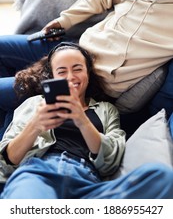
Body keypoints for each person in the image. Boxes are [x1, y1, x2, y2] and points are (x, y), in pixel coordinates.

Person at [1, 0, 173, 128]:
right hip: (73, 49)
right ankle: (12, 120)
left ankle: (15, 122)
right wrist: (65, 20)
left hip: (83, 82)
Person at [0, 42, 172, 199]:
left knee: (161, 176)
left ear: (88, 73)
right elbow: (7, 162)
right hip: (38, 175)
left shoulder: (106, 109)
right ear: (51, 76)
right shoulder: (35, 104)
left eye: (77, 69)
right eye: (61, 71)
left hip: (88, 185)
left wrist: (82, 120)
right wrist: (35, 125)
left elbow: (111, 162)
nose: (70, 77)